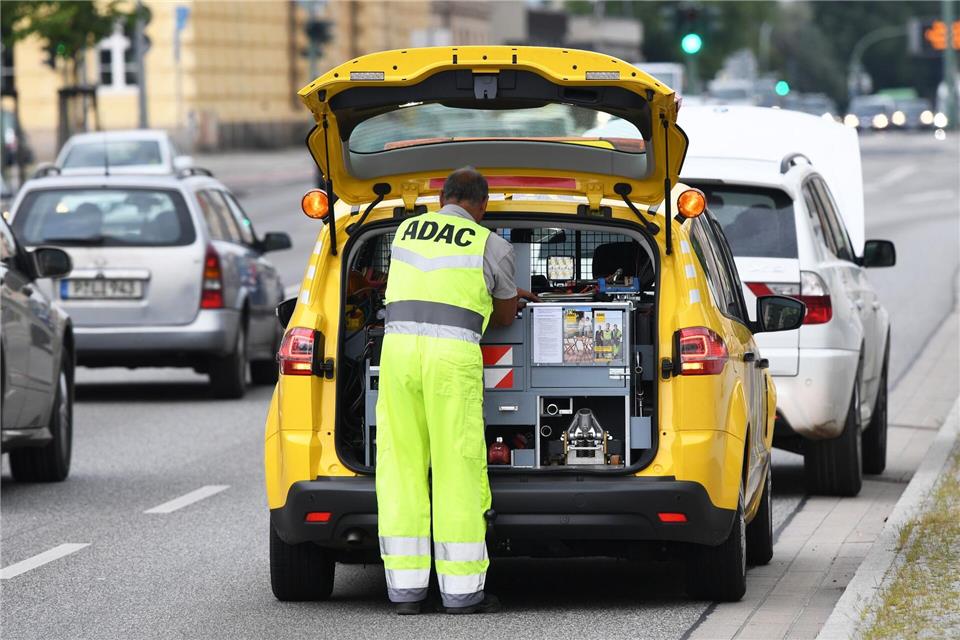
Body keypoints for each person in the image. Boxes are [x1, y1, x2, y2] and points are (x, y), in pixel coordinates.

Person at [376, 167, 538, 615]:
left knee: (401, 465)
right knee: (456, 468)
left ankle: (406, 591)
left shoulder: (404, 232)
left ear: (440, 199)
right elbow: (503, 317)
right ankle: (462, 591)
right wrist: (513, 295)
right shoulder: (492, 245)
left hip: (398, 356)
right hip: (450, 361)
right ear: (483, 205)